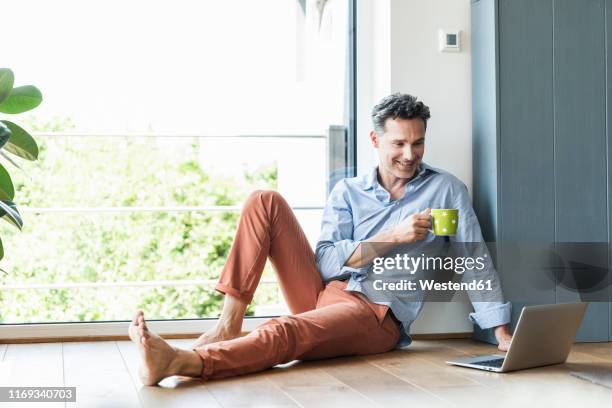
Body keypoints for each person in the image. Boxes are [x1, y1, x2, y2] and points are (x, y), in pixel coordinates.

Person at [128, 93, 514, 386]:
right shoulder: (348, 192)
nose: (410, 155)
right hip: (324, 291)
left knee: (285, 331)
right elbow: (326, 263)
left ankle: (181, 362)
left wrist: (499, 332)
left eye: (418, 143)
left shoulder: (446, 191)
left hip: (376, 313)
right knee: (265, 201)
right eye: (398, 143)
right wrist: (393, 236)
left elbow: (472, 259)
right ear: (375, 140)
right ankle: (229, 323)